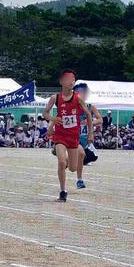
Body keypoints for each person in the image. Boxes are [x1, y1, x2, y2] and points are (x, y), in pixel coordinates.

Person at [43, 69, 94, 202]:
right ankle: (63, 191)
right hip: (60, 135)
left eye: (73, 80)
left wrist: (90, 133)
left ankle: (65, 158)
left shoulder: (78, 98)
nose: (71, 82)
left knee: (72, 168)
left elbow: (88, 115)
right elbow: (45, 113)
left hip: (73, 136)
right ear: (61, 81)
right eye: (68, 79)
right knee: (61, 162)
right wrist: (53, 119)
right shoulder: (55, 98)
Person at [72, 82, 102, 189]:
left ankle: (78, 177)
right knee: (81, 154)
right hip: (73, 137)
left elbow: (100, 120)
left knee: (87, 157)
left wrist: (90, 123)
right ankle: (79, 179)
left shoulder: (90, 107)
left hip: (84, 137)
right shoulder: (71, 106)